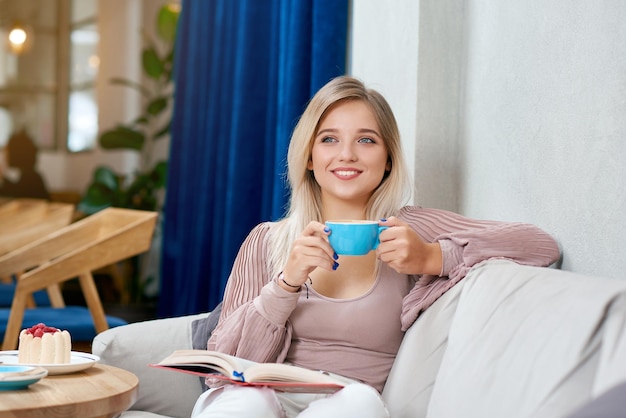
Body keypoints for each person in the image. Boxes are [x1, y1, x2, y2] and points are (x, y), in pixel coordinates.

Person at [191, 76, 560, 417]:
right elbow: (224, 365)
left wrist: (431, 256)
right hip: (260, 395)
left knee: (358, 402)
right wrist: (285, 283)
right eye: (329, 139)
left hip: (346, 403)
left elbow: (539, 245)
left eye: (366, 140)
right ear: (309, 156)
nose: (347, 155)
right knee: (247, 402)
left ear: (387, 160)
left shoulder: (411, 229)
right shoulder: (267, 240)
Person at [0, 130, 50, 200]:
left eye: (7, 151)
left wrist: (3, 178)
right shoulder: (31, 175)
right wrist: (3, 177)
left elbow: (16, 192)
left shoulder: (30, 177)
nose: (5, 155)